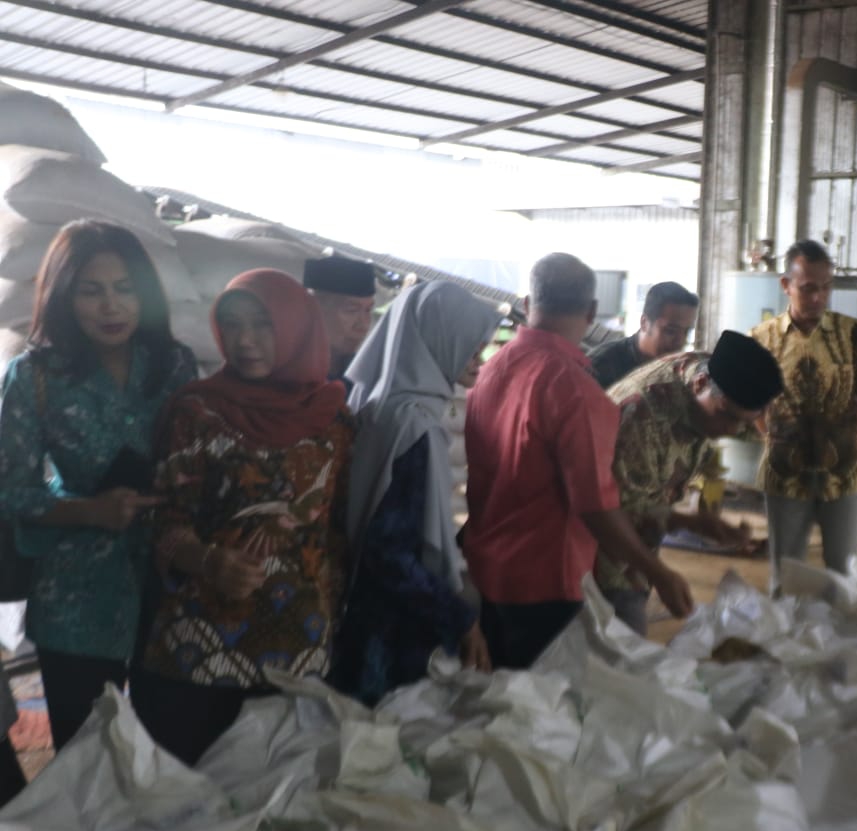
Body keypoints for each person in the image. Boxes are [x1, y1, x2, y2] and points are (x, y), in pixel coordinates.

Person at [135, 269, 353, 765]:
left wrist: (332, 629)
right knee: (192, 789)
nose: (245, 340)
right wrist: (208, 560)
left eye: (263, 324)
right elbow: (160, 519)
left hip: (299, 645)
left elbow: (336, 530)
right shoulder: (198, 411)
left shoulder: (334, 419)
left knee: (275, 791)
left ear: (296, 326)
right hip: (201, 647)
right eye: (232, 324)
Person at [0, 220, 196, 750]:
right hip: (74, 596)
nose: (112, 306)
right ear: (63, 296)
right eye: (91, 291)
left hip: (166, 582)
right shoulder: (33, 376)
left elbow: (198, 454)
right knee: (85, 754)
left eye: (124, 289)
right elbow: (10, 490)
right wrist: (90, 511)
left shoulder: (174, 365)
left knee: (164, 749)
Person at [463, 253, 695, 668]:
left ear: (527, 303)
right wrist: (656, 571)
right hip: (544, 580)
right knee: (540, 699)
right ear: (591, 311)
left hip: (482, 567)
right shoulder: (577, 390)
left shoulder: (492, 368)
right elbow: (595, 506)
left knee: (497, 694)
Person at [334, 281, 494, 704]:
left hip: (360, 606)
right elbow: (390, 552)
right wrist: (461, 619)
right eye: (471, 350)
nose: (479, 362)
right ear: (438, 340)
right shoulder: (413, 425)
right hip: (389, 627)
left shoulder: (379, 401)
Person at [600, 330, 784, 634]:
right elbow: (611, 514)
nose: (731, 431)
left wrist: (696, 522)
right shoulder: (641, 417)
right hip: (598, 557)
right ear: (700, 384)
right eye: (727, 416)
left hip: (638, 547)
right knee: (616, 643)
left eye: (743, 422)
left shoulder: (712, 379)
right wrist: (659, 572)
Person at [751, 239, 857, 595]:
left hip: (845, 472)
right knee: (786, 573)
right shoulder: (763, 339)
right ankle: (784, 629)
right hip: (785, 471)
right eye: (808, 288)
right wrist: (767, 433)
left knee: (846, 571)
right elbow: (748, 399)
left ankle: (841, 630)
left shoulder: (853, 333)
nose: (818, 298)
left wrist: (853, 431)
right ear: (786, 285)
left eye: (826, 288)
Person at [588, 281, 698, 389]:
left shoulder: (681, 370)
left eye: (686, 332)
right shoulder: (601, 365)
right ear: (644, 322)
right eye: (671, 331)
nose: (681, 341)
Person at [304, 256, 376, 380]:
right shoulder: (281, 368)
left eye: (368, 310)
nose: (363, 325)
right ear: (314, 308)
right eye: (351, 310)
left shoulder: (364, 379)